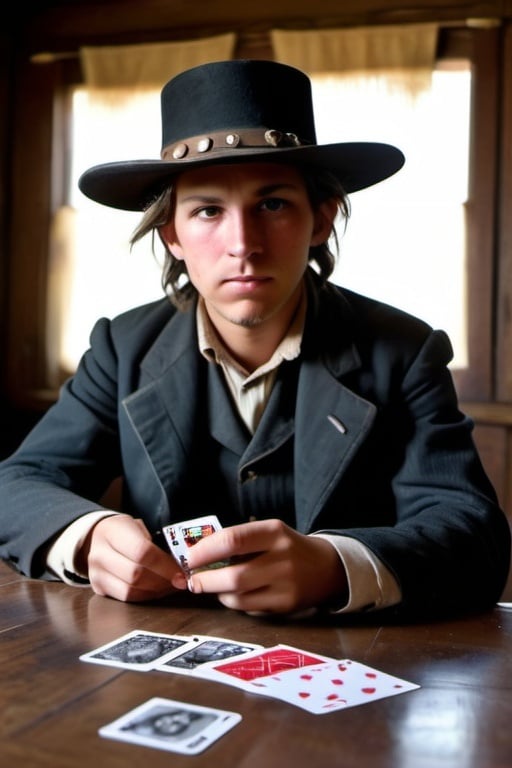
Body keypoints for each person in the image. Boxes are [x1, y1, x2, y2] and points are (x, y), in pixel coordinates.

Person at [0, 59, 509, 620]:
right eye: (208, 210)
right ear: (173, 235)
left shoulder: (404, 351)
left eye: (272, 205)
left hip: (356, 657)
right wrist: (89, 534)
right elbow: (16, 484)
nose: (242, 243)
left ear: (320, 220)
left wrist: (336, 566)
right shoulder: (122, 348)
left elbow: (473, 533)